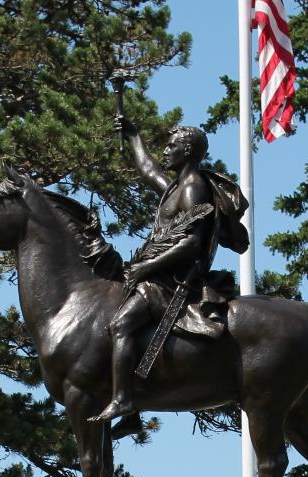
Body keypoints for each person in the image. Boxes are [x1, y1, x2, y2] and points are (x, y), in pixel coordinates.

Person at [94, 115, 248, 424]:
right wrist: (133, 135)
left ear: (188, 150)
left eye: (171, 145)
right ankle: (132, 400)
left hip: (173, 281)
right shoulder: (176, 186)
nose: (165, 150)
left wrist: (146, 268)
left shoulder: (193, 189)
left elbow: (192, 244)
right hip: (159, 276)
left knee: (120, 325)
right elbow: (148, 169)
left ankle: (125, 400)